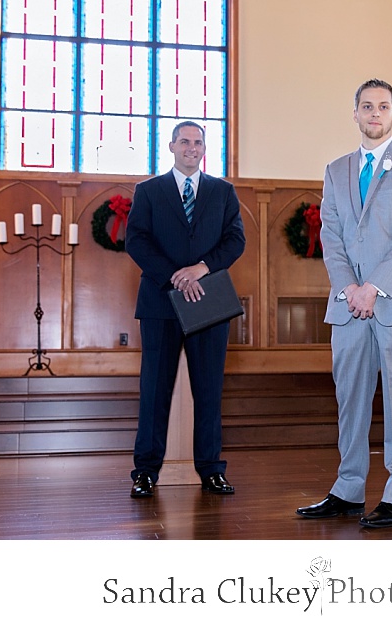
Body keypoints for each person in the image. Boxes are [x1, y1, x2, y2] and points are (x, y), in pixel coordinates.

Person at [296, 78, 392, 528]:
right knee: (350, 400)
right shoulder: (336, 170)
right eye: (366, 106)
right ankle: (349, 487)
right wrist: (349, 288)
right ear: (354, 114)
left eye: (383, 106)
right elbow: (332, 235)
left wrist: (374, 287)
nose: (374, 113)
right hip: (349, 304)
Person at [124, 121, 245, 499]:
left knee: (208, 390)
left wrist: (202, 269)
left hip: (209, 300)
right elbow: (136, 240)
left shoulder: (223, 191)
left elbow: (235, 239)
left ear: (204, 149)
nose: (192, 148)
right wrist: (175, 276)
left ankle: (211, 470)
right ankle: (145, 471)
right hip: (160, 302)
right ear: (172, 146)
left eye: (198, 143)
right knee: (154, 390)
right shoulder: (148, 191)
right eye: (185, 142)